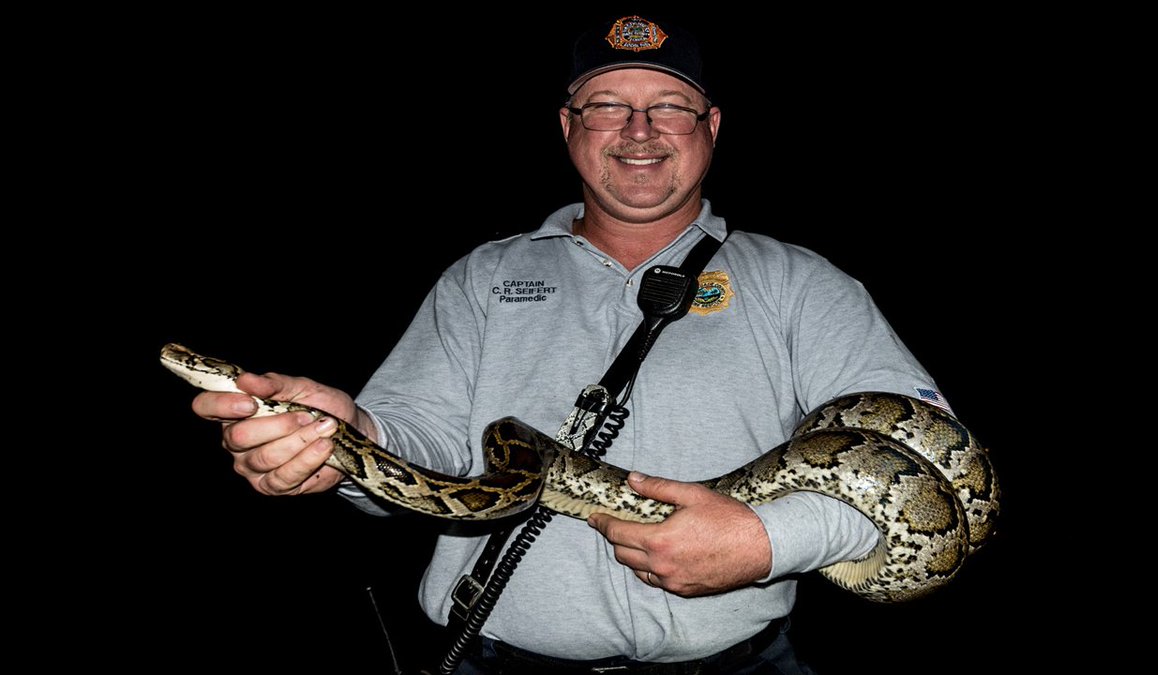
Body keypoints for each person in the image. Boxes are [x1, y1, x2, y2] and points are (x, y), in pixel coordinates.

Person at [191, 14, 957, 674]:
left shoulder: (802, 282)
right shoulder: (483, 277)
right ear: (568, 127)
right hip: (493, 656)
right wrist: (344, 436)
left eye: (669, 107)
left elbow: (939, 471)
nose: (639, 131)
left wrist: (770, 539)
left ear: (710, 127)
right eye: (607, 107)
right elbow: (420, 438)